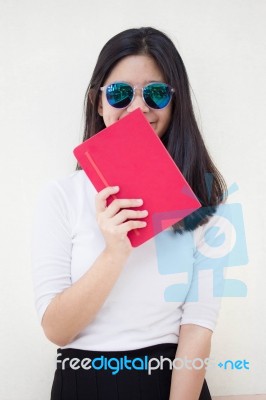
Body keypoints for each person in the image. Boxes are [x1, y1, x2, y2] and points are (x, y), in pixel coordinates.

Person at [32, 27, 229, 400]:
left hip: (172, 383)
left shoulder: (204, 202)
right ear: (98, 101)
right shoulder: (60, 196)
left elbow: (198, 328)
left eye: (155, 93)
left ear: (175, 102)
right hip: (83, 381)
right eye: (120, 93)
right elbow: (57, 331)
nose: (138, 109)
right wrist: (115, 250)